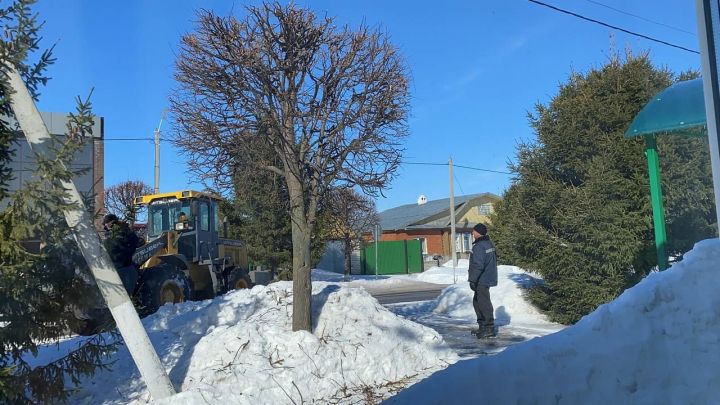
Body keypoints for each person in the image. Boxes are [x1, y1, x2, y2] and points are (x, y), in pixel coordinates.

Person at [468, 223, 498, 338]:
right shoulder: (488, 243)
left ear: (478, 232)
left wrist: (472, 280)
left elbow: (478, 265)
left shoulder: (479, 246)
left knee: (483, 303)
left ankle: (488, 328)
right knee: (477, 302)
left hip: (481, 279)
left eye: (473, 231)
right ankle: (482, 327)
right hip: (486, 277)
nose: (472, 233)